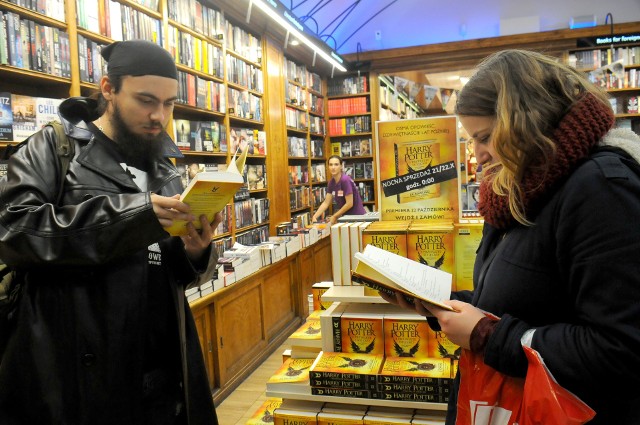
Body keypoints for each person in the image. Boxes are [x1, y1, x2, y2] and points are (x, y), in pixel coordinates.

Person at [381, 49, 640, 424]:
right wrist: (442, 303)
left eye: (484, 137)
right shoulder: (517, 189)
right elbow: (526, 300)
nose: (477, 155)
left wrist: (486, 335)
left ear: (524, 121)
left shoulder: (602, 189)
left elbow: (623, 350)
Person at [0, 40, 222, 425]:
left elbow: (172, 271)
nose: (159, 116)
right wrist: (137, 214)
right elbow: (15, 230)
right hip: (81, 375)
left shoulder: (166, 169)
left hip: (162, 374)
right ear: (108, 89)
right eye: (146, 100)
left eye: (169, 104)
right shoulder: (55, 147)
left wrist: (196, 252)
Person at [312, 155, 366, 225]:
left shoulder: (345, 180)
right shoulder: (331, 182)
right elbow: (326, 202)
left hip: (357, 218)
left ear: (341, 166)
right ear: (328, 167)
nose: (333, 167)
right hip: (346, 218)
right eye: (331, 165)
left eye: (336, 164)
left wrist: (335, 216)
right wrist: (315, 216)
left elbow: (349, 203)